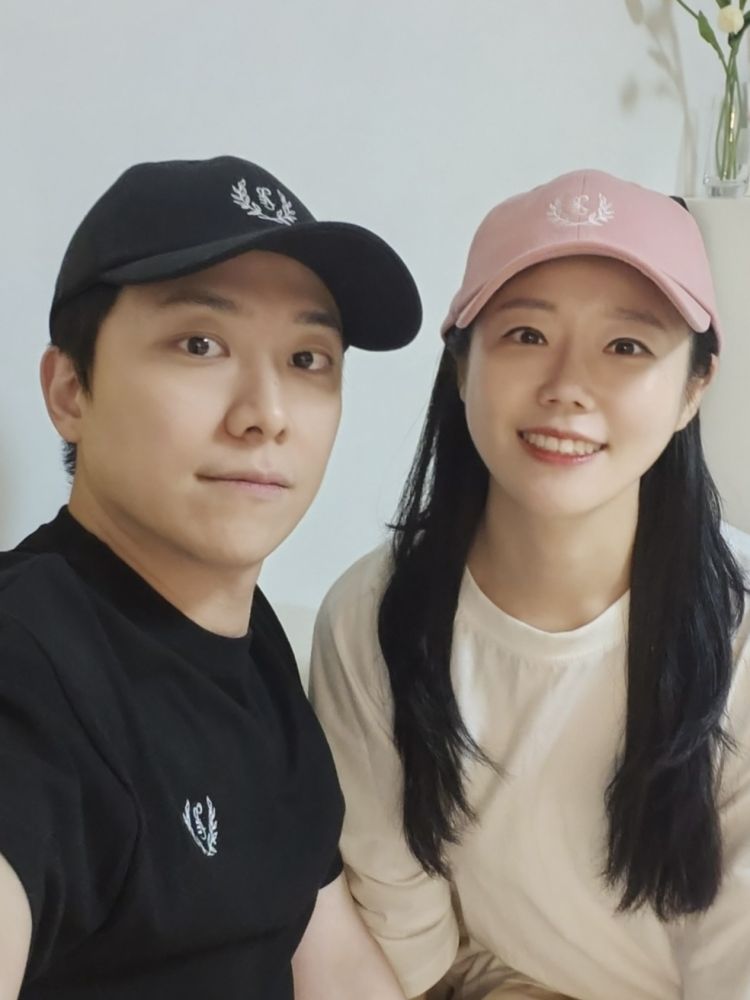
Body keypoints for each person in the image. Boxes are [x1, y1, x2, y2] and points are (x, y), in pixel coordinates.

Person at [309, 169, 750, 1000]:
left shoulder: (738, 631)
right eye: (525, 334)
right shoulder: (372, 620)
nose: (567, 387)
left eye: (627, 346)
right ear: (462, 364)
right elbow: (412, 950)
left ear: (695, 387)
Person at [0, 154, 422, 999]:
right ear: (71, 390)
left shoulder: (252, 645)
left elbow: (331, 956)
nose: (266, 414)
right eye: (201, 344)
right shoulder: (31, 663)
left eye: (308, 358)